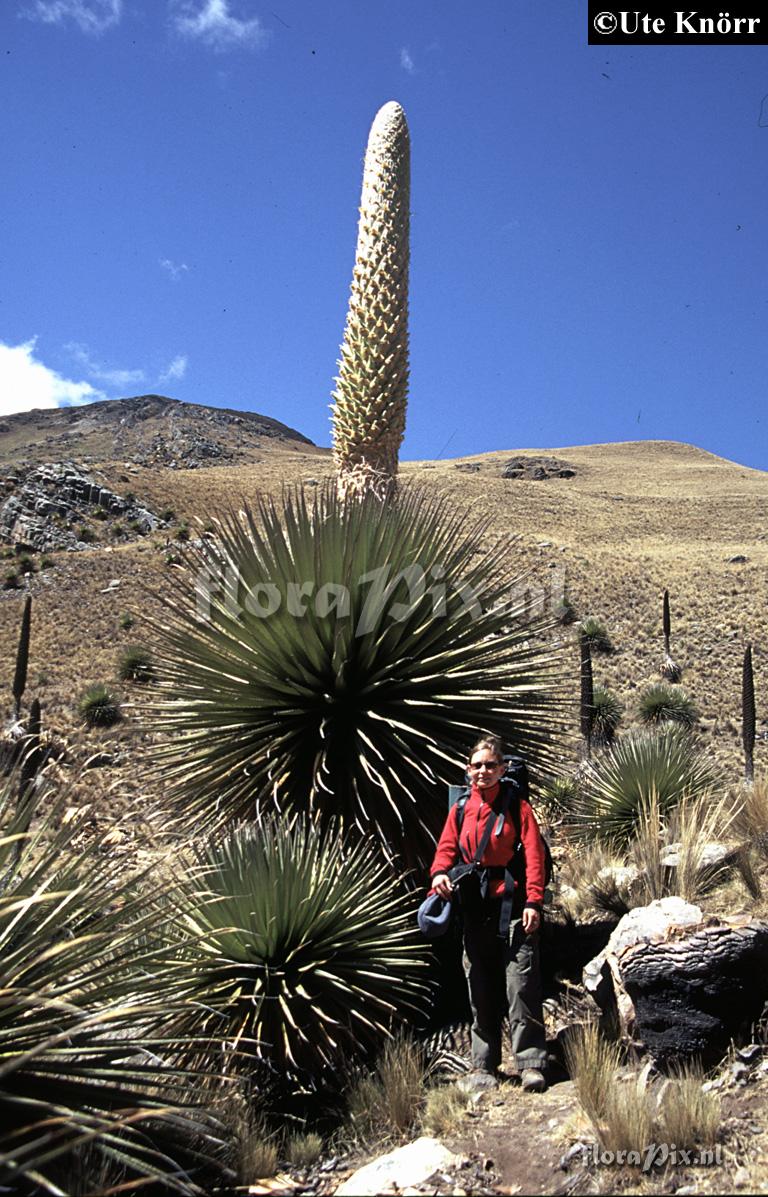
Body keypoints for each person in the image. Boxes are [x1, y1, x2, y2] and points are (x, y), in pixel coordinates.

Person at [429, 734, 548, 1092]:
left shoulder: (518, 808)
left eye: (490, 765)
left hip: (512, 906)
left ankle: (529, 1063)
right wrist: (438, 875)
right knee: (478, 984)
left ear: (503, 768)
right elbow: (446, 849)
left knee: (520, 983)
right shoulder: (461, 808)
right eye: (477, 765)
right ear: (468, 771)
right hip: (475, 907)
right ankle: (484, 1064)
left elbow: (534, 856)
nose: (483, 771)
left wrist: (533, 902)